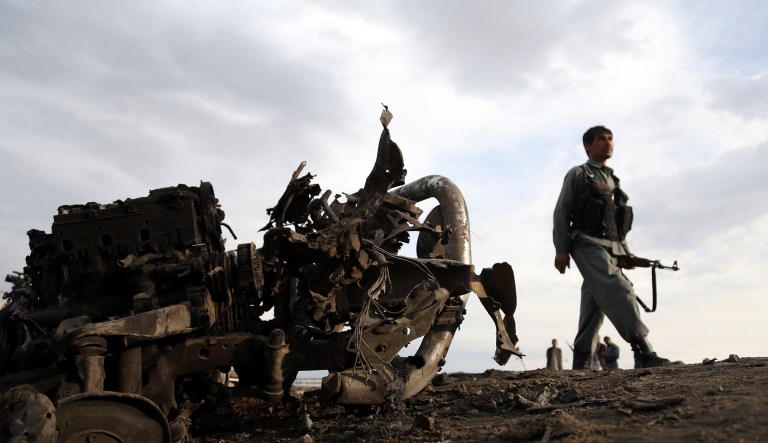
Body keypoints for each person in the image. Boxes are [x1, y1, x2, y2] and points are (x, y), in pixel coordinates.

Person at [553, 125, 678, 369]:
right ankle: (643, 351)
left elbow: (615, 223)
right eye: (601, 139)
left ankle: (579, 364)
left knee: (595, 303)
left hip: (611, 247)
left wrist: (624, 253)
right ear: (587, 146)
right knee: (620, 289)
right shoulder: (579, 174)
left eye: (611, 139)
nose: (608, 143)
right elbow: (562, 210)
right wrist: (561, 248)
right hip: (586, 243)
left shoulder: (612, 180)